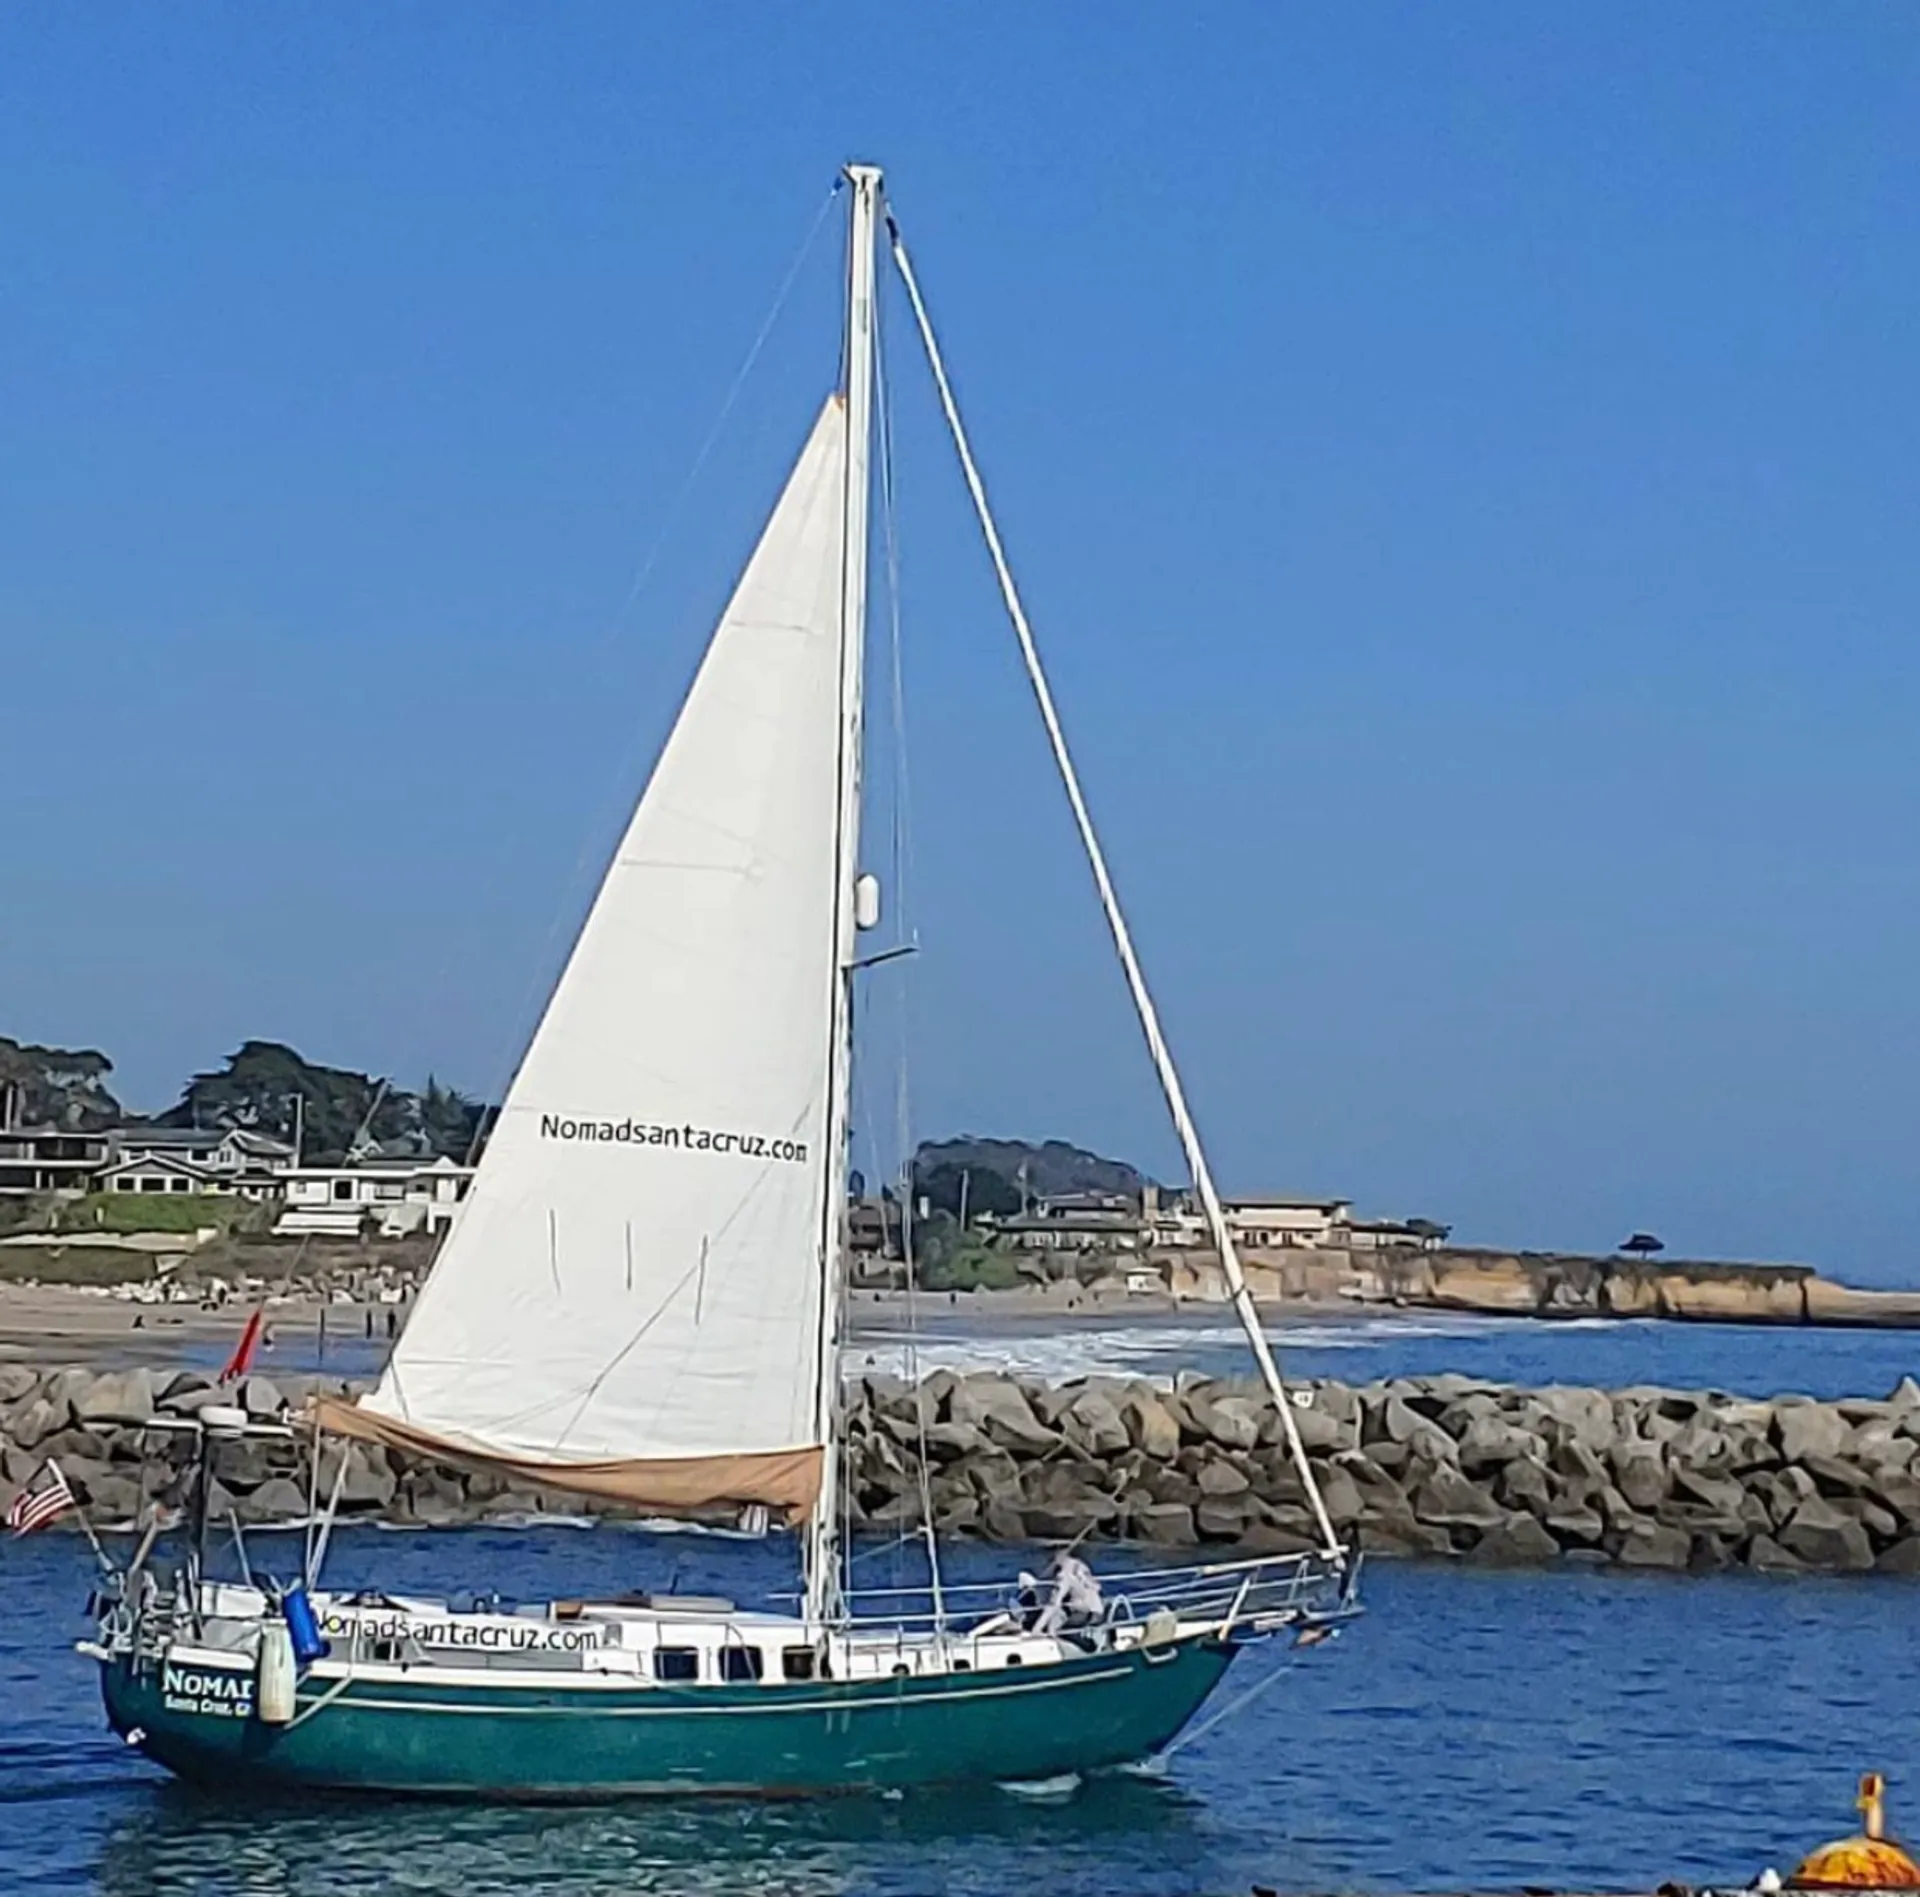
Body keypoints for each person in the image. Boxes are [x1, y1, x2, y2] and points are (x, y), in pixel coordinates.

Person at [1037, 1551, 1103, 1634]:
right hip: (1096, 1610)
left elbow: (1054, 1602)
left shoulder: (1065, 1575)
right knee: (1061, 1610)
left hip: (1086, 1613)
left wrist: (1037, 1627)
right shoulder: (1081, 1566)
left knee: (1057, 1609)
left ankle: (1050, 1633)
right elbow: (1097, 1587)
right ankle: (1051, 1632)